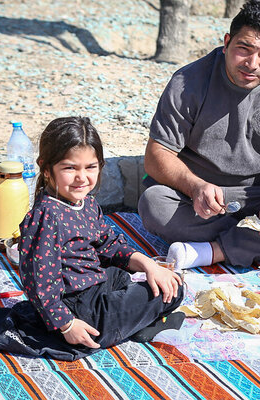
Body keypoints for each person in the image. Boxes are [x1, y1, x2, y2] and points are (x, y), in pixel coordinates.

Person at [138, 0, 260, 270]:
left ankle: (211, 252)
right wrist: (196, 188)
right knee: (154, 203)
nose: (252, 64)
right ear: (227, 42)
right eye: (244, 49)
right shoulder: (188, 83)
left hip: (258, 200)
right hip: (197, 201)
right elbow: (156, 156)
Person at [19, 116, 185, 349]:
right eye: (70, 168)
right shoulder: (47, 216)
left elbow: (109, 245)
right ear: (46, 169)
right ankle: (132, 324)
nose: (82, 177)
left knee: (124, 275)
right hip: (81, 314)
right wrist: (66, 325)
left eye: (90, 167)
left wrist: (150, 265)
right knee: (176, 289)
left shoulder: (86, 203)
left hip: (92, 291)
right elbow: (38, 281)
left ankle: (135, 321)